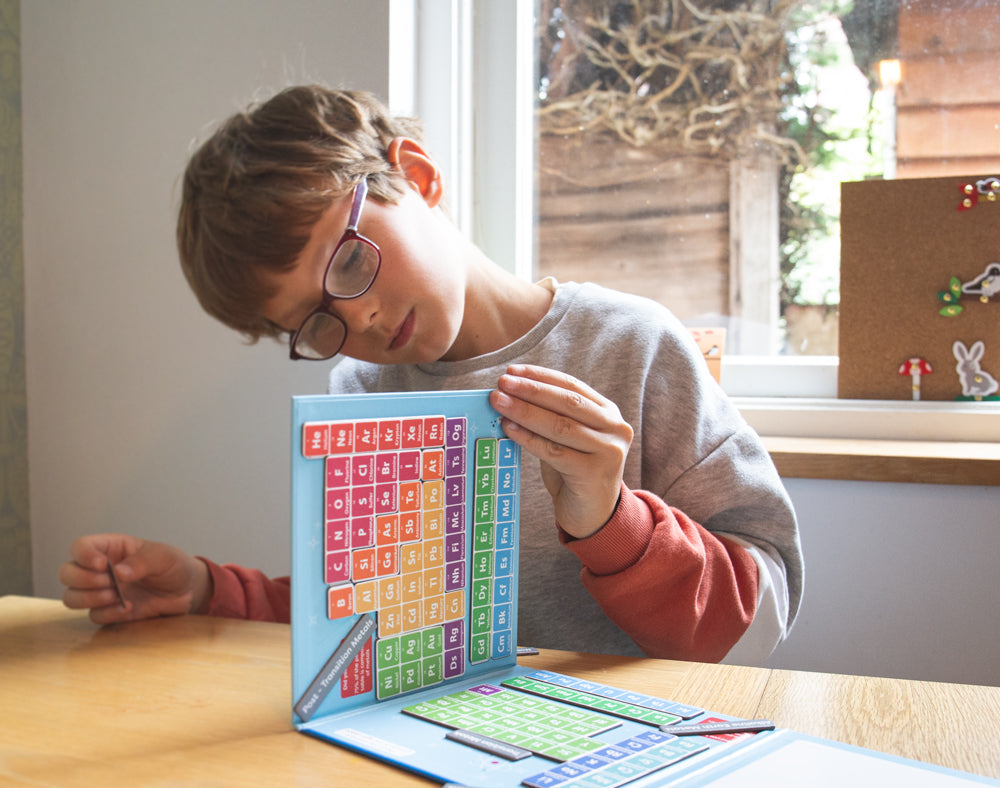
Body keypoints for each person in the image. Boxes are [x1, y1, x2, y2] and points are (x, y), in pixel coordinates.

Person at [60, 85, 803, 665]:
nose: (361, 322)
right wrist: (207, 589)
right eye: (316, 322)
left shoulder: (631, 349)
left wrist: (613, 522)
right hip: (447, 773)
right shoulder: (360, 391)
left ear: (414, 175)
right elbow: (366, 622)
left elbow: (760, 623)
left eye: (349, 261)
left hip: (631, 770)